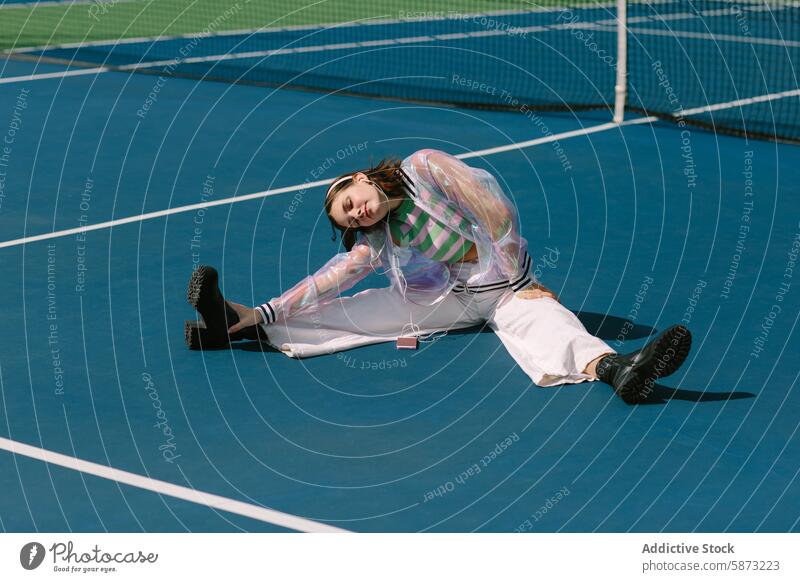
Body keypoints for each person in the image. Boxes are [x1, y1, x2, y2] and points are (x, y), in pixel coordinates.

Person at [185, 149, 691, 403]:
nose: (357, 215)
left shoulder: (424, 170)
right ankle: (245, 321)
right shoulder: (379, 237)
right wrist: (272, 304)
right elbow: (335, 275)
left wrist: (520, 280)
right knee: (356, 310)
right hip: (446, 297)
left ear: (360, 179)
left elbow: (495, 214)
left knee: (550, 324)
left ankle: (618, 370)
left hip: (504, 289)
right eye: (348, 220)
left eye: (350, 204)